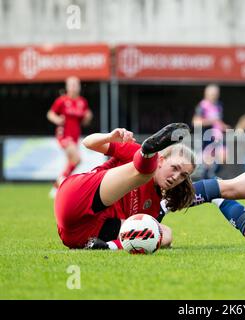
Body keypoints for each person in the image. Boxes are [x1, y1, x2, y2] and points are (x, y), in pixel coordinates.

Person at [54, 123, 195, 250]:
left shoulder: (153, 206)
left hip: (80, 237)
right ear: (161, 160)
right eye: (175, 168)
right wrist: (110, 137)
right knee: (146, 172)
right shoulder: (134, 150)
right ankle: (147, 156)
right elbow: (88, 142)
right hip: (77, 197)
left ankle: (107, 247)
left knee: (164, 233)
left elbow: (138, 238)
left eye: (183, 175)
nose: (176, 177)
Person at [47, 76, 93, 198]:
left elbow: (84, 121)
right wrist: (57, 119)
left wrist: (88, 117)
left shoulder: (82, 102)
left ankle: (57, 187)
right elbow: (50, 114)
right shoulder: (62, 100)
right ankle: (59, 185)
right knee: (77, 159)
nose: (73, 87)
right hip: (64, 135)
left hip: (75, 136)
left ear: (79, 87)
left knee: (71, 162)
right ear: (67, 87)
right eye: (71, 85)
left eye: (75, 85)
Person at [192, 84, 229, 179]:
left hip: (218, 138)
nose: (214, 95)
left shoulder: (218, 106)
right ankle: (206, 182)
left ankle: (213, 177)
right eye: (212, 93)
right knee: (208, 164)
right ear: (206, 94)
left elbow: (217, 122)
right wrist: (211, 121)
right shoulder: (202, 106)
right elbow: (196, 122)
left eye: (216, 93)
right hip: (207, 139)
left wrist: (224, 127)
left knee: (224, 158)